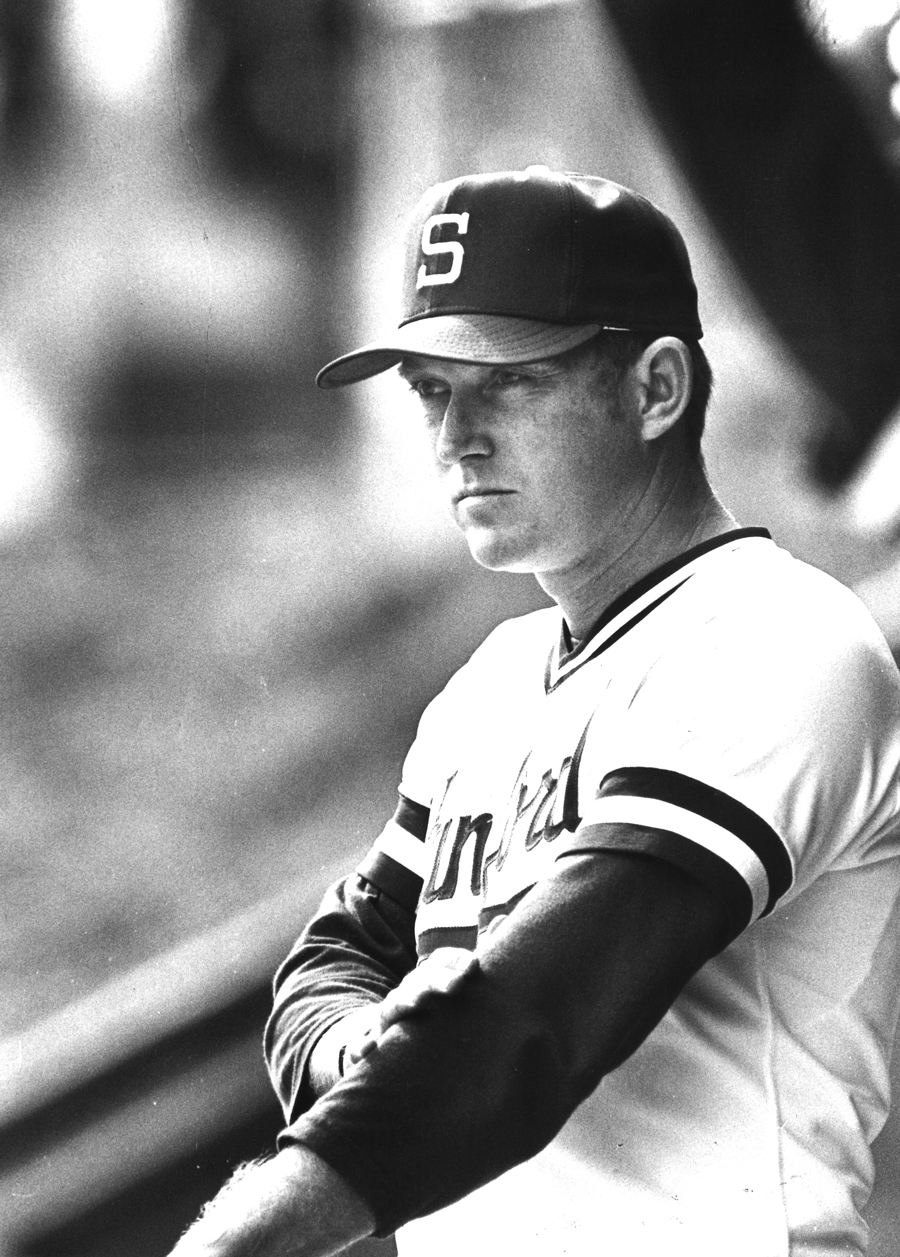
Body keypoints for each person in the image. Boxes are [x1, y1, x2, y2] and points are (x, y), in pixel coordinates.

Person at [169, 168, 900, 1257]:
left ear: (656, 388)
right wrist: (374, 1048)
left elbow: (523, 1036)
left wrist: (236, 1243)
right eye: (429, 389)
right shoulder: (490, 684)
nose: (456, 435)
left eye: (506, 384)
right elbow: (329, 964)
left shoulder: (784, 641)